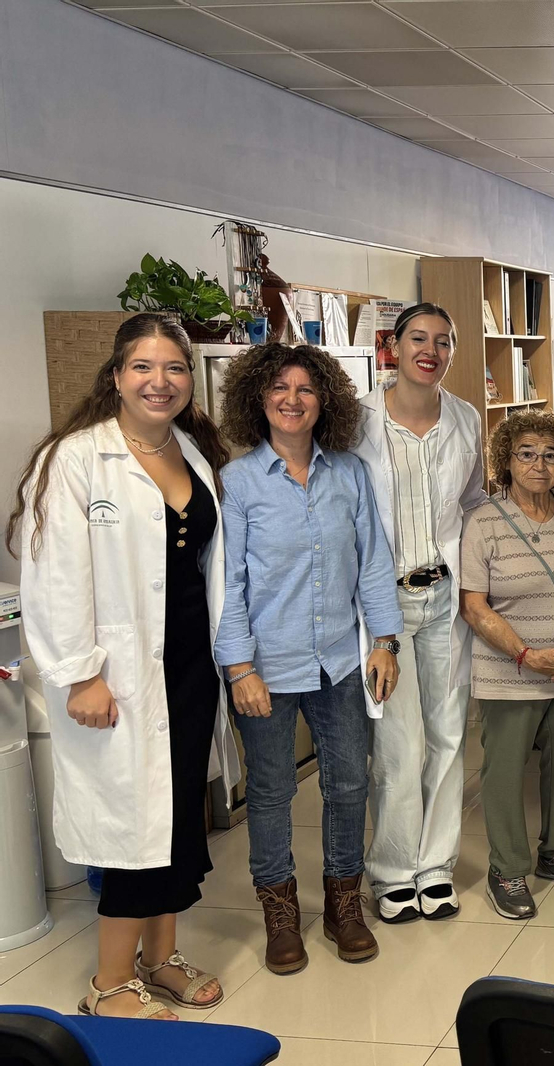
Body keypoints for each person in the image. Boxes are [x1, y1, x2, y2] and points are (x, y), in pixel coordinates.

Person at [9, 314, 236, 1019]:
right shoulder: (76, 460)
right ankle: (109, 985)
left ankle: (160, 959)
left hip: (189, 666)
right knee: (131, 826)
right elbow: (50, 578)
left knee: (175, 821)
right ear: (116, 376)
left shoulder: (194, 455)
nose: (160, 381)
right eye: (144, 367)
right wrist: (80, 673)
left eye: (174, 369)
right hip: (118, 673)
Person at [213, 342, 403, 974]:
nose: (292, 400)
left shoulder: (349, 472)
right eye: (279, 388)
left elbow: (373, 561)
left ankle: (345, 906)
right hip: (265, 666)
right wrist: (239, 668)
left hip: (341, 661)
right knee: (269, 792)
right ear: (257, 399)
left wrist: (384, 640)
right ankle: (281, 916)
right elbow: (228, 583)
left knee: (348, 784)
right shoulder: (237, 482)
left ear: (327, 401)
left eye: (306, 389)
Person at [352, 302, 488, 924]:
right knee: (398, 742)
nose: (428, 350)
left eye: (442, 341)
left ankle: (435, 866)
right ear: (394, 346)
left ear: (451, 352)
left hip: (446, 597)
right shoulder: (357, 421)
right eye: (417, 339)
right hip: (384, 601)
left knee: (449, 734)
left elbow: (473, 500)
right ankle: (391, 871)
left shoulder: (466, 417)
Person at [459, 409, 554, 920]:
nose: (538, 465)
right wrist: (526, 655)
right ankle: (507, 868)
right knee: (504, 773)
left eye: (549, 455)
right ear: (507, 461)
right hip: (511, 673)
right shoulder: (484, 523)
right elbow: (474, 605)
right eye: (526, 454)